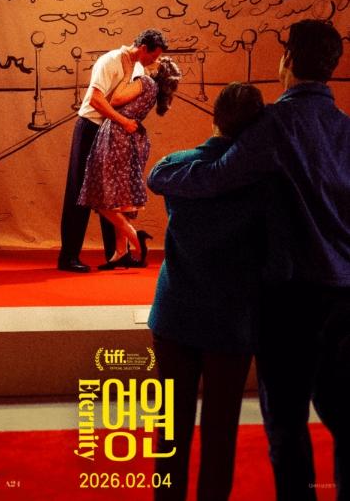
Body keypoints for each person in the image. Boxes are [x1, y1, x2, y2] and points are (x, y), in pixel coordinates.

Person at [148, 19, 350, 501]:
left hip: (292, 301)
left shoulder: (275, 125)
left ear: (287, 59)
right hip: (344, 295)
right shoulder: (346, 128)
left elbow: (218, 173)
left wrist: (165, 174)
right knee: (345, 416)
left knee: (287, 427)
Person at [148, 82, 268, 501]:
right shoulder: (263, 182)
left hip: (175, 315)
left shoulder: (178, 166)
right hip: (231, 323)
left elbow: (156, 175)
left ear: (214, 116)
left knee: (170, 430)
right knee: (220, 433)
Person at [57, 29, 168, 272]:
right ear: (143, 48)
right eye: (153, 55)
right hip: (90, 127)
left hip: (112, 132)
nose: (154, 61)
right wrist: (124, 122)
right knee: (79, 190)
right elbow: (96, 100)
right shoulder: (109, 61)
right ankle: (68, 257)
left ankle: (117, 254)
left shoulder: (138, 68)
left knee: (111, 192)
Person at [78, 55, 181, 270]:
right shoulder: (154, 89)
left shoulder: (145, 82)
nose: (153, 60)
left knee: (101, 197)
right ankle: (121, 251)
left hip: (118, 136)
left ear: (158, 70)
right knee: (120, 196)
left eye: (159, 60)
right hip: (130, 139)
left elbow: (115, 100)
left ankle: (135, 237)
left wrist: (126, 75)